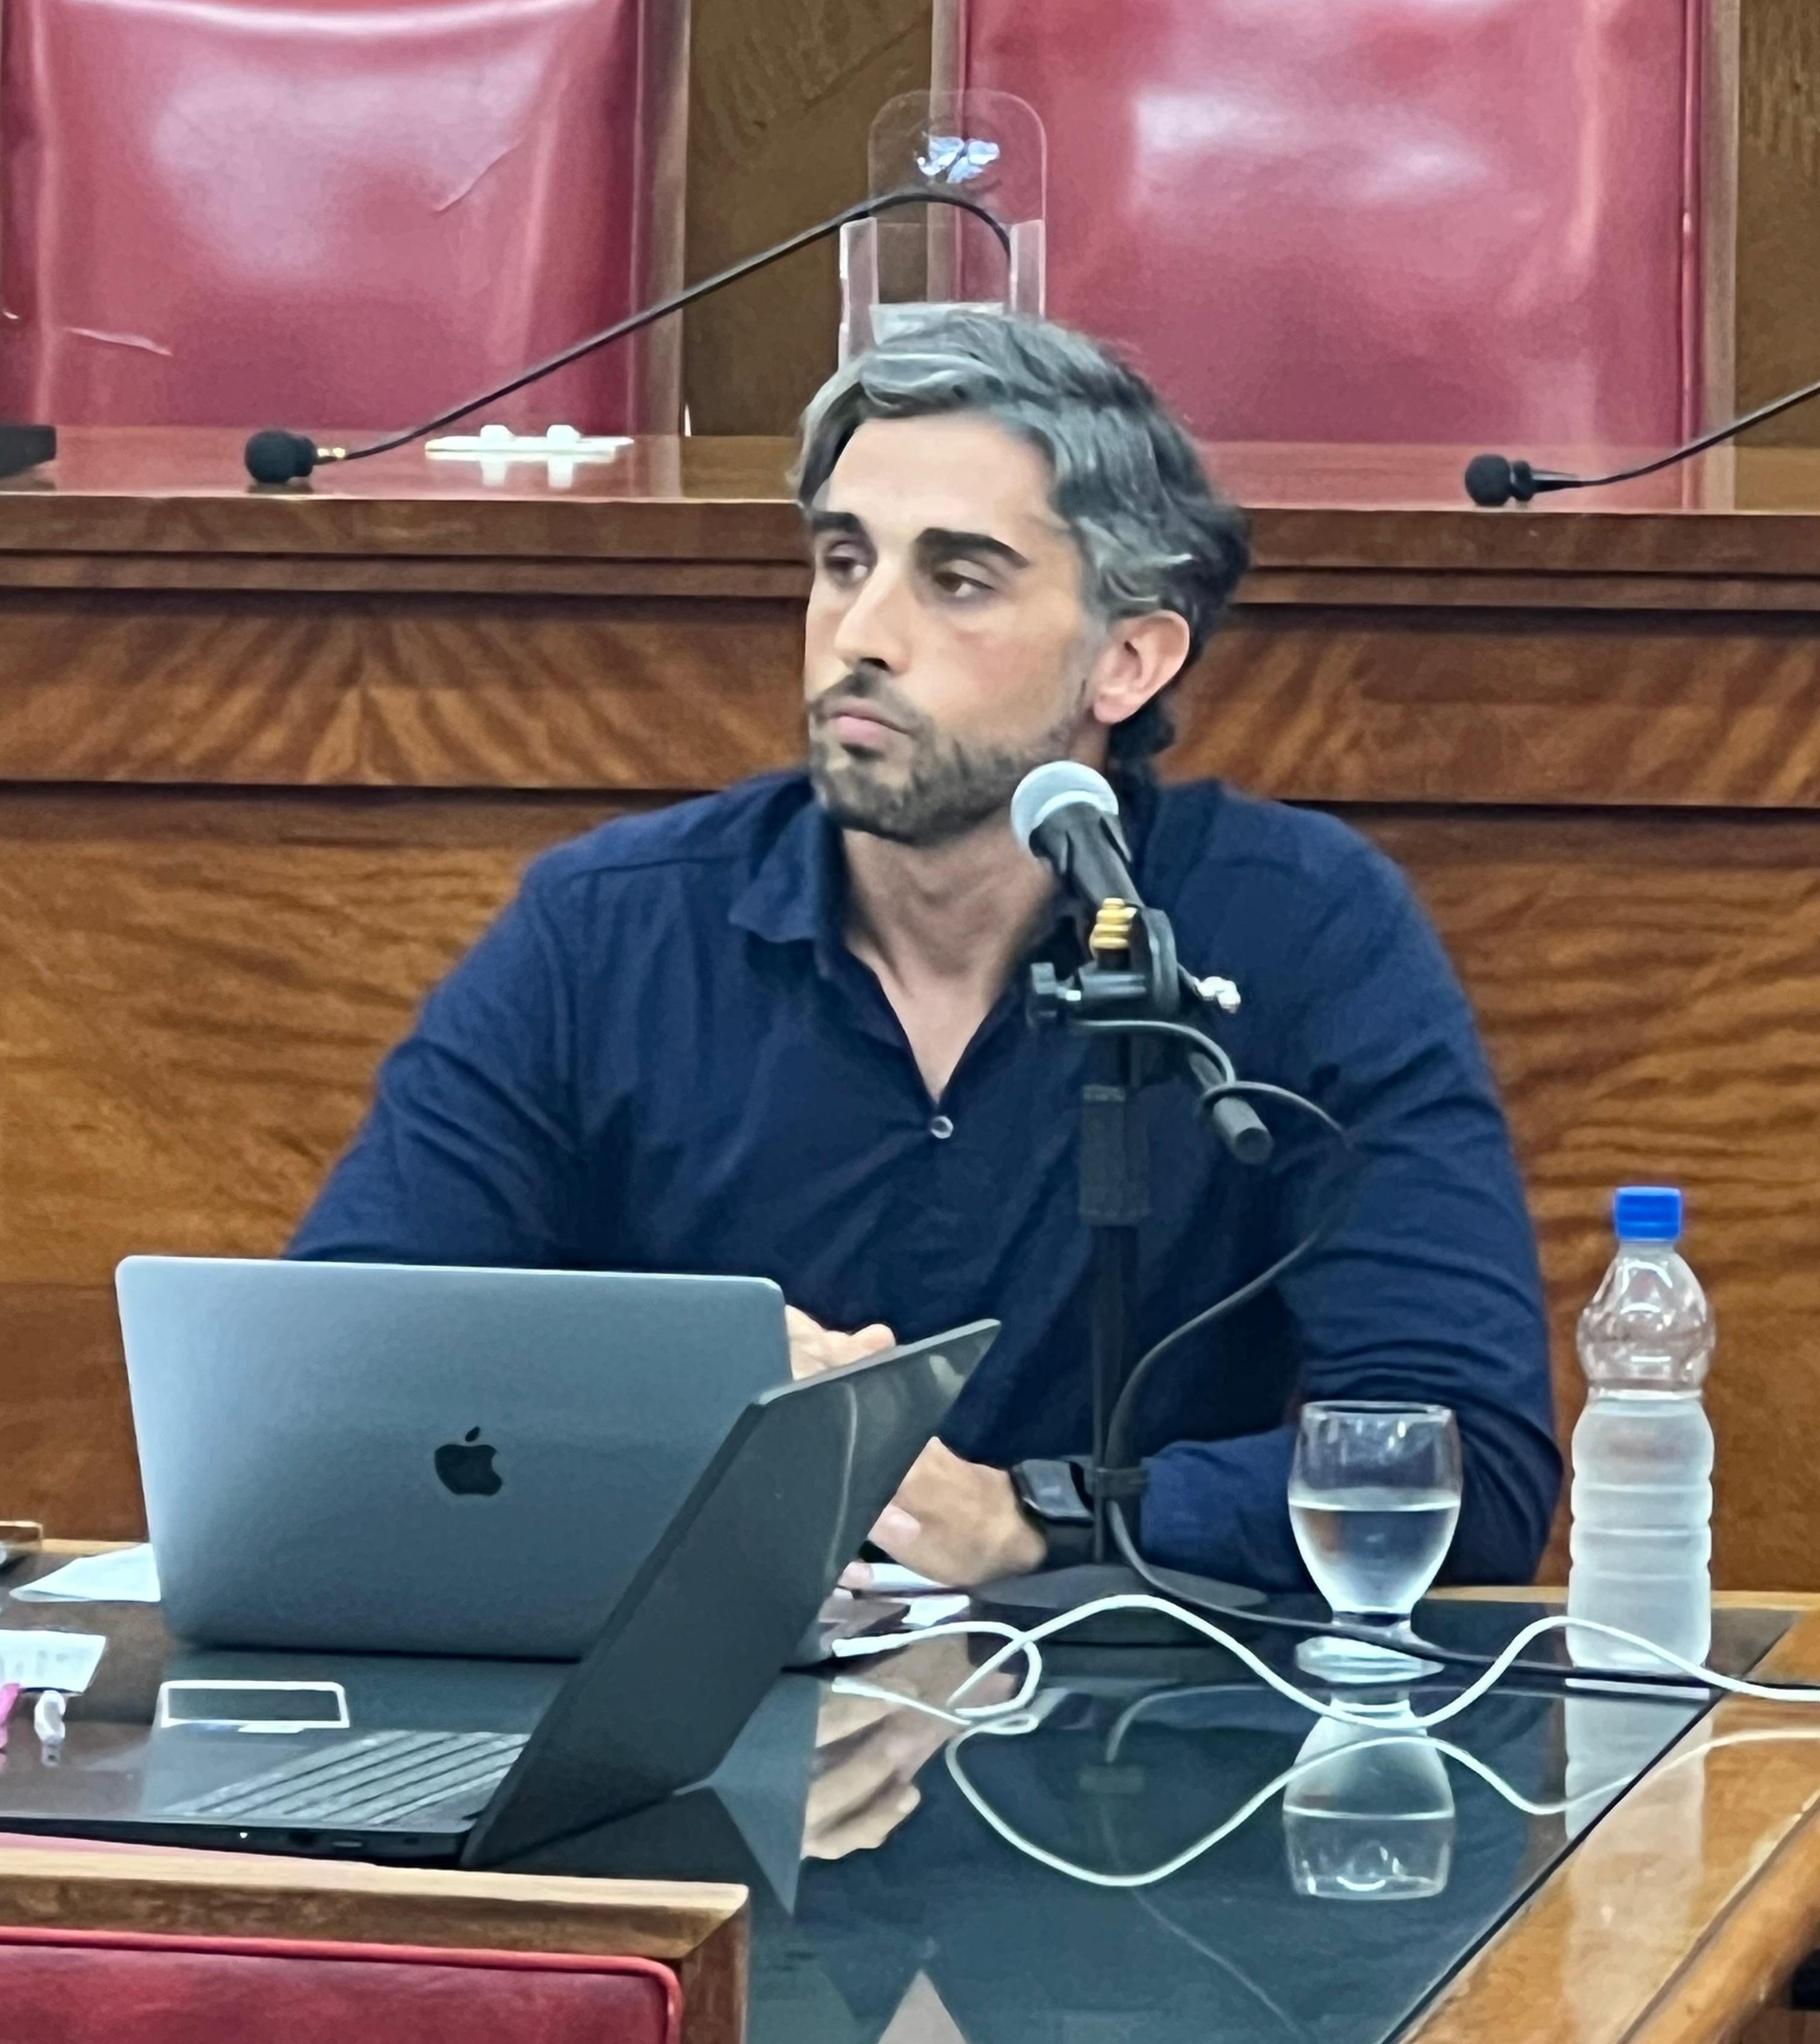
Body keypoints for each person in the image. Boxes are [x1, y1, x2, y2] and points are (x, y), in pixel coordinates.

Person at [290, 312, 1560, 1593]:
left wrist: (1036, 1518)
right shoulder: (608, 928)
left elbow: (1466, 1464)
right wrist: (679, 1383)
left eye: (958, 580)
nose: (862, 634)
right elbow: (334, 1368)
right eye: (844, 561)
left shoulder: (1305, 930)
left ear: (1127, 658)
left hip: (1124, 1700)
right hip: (697, 1674)